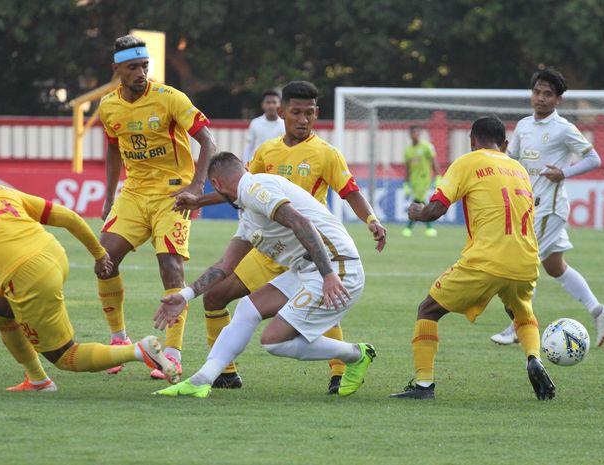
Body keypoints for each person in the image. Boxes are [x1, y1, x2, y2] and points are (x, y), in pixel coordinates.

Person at [174, 81, 387, 393]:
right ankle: (212, 376)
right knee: (225, 299)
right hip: (273, 250)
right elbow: (236, 189)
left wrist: (370, 219)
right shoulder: (264, 157)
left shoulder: (326, 154)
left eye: (310, 113)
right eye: (297, 112)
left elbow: (345, 195)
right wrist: (183, 295)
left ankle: (343, 368)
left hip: (317, 253)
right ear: (282, 112)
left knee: (308, 319)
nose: (303, 119)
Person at [0, 161, 178, 394]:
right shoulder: (0, 191)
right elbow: (68, 217)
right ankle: (36, 379)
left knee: (65, 356)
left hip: (26, 275)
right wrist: (99, 254)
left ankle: (137, 351)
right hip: (53, 254)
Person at [151, 152, 376, 399]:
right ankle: (201, 380)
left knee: (273, 341)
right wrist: (184, 295)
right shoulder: (248, 213)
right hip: (307, 271)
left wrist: (328, 275)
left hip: (337, 269)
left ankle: (357, 354)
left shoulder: (254, 188)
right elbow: (224, 266)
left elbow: (300, 223)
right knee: (247, 309)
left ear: (216, 184)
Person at [390, 116, 555, 400]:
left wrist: (416, 212)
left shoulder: (467, 162)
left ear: (472, 141)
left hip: (486, 261)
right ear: (504, 145)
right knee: (520, 312)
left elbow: (436, 210)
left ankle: (424, 385)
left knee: (428, 310)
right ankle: (533, 357)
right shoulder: (519, 169)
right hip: (527, 261)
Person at [96, 34, 216, 378]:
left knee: (171, 266)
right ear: (117, 68)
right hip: (133, 195)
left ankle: (174, 354)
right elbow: (114, 148)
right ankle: (119, 341)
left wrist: (196, 185)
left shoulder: (170, 98)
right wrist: (108, 197)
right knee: (103, 262)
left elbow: (208, 140)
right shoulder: (108, 105)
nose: (140, 73)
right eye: (133, 67)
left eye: (144, 66)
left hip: (173, 195)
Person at [490, 68, 604, 347]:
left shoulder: (564, 129)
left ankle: (519, 325)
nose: (540, 98)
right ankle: (599, 311)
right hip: (528, 207)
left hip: (549, 209)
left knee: (524, 264)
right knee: (555, 266)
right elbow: (513, 160)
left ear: (558, 100)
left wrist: (564, 173)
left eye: (548, 94)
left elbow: (594, 158)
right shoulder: (522, 126)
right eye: (537, 92)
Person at [402, 125, 441, 237]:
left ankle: (409, 227)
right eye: (413, 133)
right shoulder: (408, 150)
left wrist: (438, 176)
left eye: (417, 133)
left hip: (424, 178)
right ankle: (429, 227)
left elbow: (434, 161)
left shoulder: (426, 147)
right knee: (420, 202)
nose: (415, 135)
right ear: (410, 135)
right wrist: (405, 182)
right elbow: (407, 168)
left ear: (419, 134)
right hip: (414, 180)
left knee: (418, 200)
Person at [241, 89, 285, 165]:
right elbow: (249, 147)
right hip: (258, 164)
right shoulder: (255, 123)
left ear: (280, 105)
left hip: (279, 165)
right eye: (268, 102)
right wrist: (245, 164)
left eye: (274, 102)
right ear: (263, 105)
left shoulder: (285, 124)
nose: (271, 105)